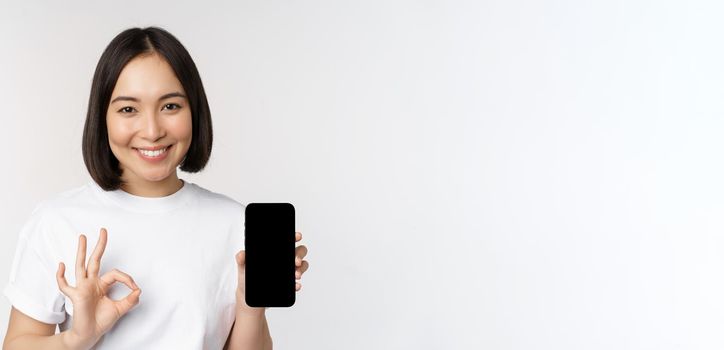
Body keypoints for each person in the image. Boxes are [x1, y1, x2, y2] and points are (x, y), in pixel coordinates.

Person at [2, 26, 309, 349]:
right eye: (128, 109)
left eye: (170, 106)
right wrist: (77, 338)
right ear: (102, 117)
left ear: (195, 111)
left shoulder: (234, 223)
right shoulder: (57, 221)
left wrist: (249, 304)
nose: (151, 131)